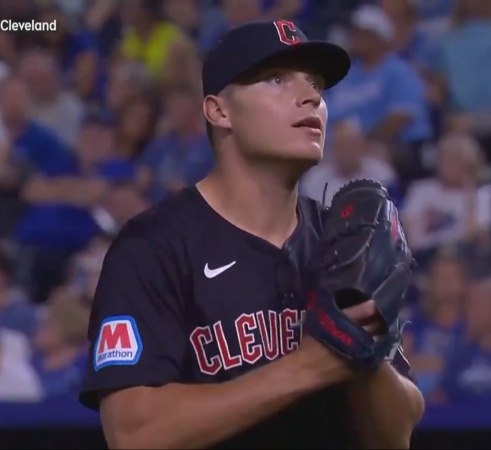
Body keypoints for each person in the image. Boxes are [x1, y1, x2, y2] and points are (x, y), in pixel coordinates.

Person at [80, 20, 423, 449]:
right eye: (277, 79)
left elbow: (396, 435)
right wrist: (313, 365)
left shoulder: (343, 242)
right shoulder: (153, 246)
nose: (311, 96)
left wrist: (365, 355)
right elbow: (134, 434)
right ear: (218, 111)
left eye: (315, 84)